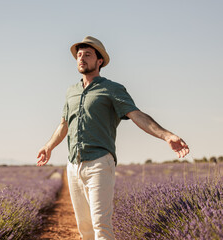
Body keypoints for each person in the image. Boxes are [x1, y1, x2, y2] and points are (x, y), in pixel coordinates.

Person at [36, 36, 190, 240]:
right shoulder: (71, 91)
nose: (81, 58)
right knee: (84, 228)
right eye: (79, 55)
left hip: (99, 163)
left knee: (101, 225)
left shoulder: (112, 88)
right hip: (73, 166)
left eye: (87, 55)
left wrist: (167, 135)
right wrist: (48, 146)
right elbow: (64, 124)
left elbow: (137, 115)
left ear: (100, 61)